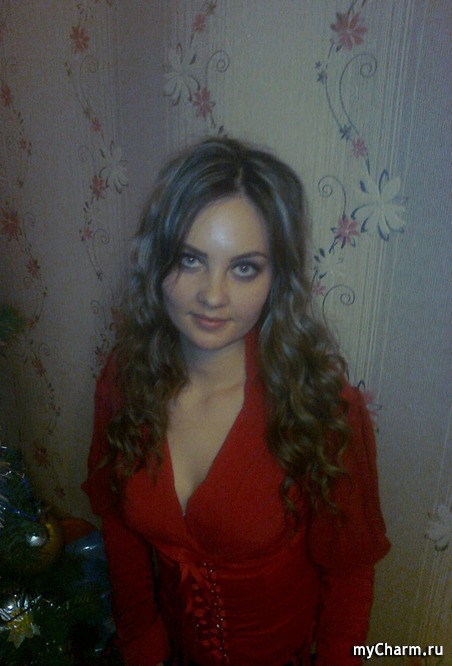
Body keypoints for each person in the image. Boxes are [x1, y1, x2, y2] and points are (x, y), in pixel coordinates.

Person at [83, 137, 390, 666]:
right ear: (158, 260)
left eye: (244, 267)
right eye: (190, 259)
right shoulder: (124, 380)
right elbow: (118, 524)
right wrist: (142, 639)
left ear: (277, 278)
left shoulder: (323, 407)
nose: (213, 295)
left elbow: (349, 578)